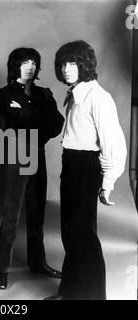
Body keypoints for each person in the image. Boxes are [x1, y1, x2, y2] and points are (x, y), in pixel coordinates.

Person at [45, 40, 127, 300]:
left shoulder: (99, 97)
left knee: (84, 235)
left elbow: (114, 144)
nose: (67, 69)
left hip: (86, 167)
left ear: (84, 64)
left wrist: (108, 182)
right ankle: (69, 292)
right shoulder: (76, 93)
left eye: (72, 63)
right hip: (71, 163)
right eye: (63, 64)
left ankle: (92, 296)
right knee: (70, 232)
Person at [0, 47, 64, 290]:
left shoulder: (44, 93)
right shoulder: (4, 93)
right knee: (12, 213)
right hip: (17, 154)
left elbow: (56, 124)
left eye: (33, 62)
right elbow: (12, 122)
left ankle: (38, 261)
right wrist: (32, 117)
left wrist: (27, 114)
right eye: (25, 62)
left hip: (38, 153)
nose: (30, 66)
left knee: (37, 212)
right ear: (16, 66)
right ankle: (1, 269)